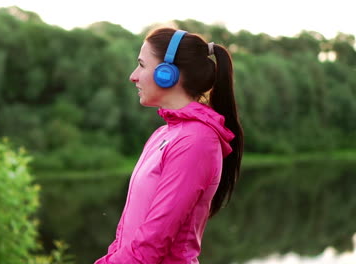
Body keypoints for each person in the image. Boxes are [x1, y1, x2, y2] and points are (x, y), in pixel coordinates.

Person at [94, 27, 244, 264]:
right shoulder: (163, 134)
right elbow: (126, 236)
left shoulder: (196, 141)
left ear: (167, 73)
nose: (133, 76)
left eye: (142, 65)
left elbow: (151, 245)